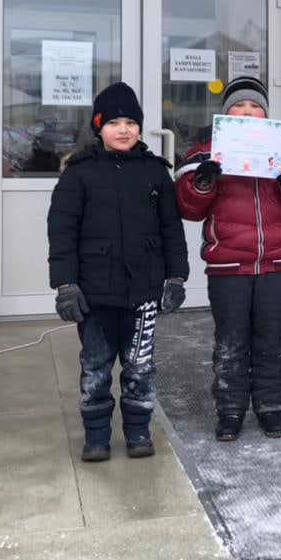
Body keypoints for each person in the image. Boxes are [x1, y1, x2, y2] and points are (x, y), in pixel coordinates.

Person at [174, 76, 281, 441]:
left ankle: (271, 407)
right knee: (231, 341)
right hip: (228, 263)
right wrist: (203, 182)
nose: (247, 111)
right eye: (239, 106)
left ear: (265, 113)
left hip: (276, 262)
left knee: (271, 340)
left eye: (255, 106)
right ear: (227, 112)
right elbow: (189, 208)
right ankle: (230, 409)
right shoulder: (206, 147)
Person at [47, 82, 188, 461]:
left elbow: (171, 229)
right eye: (113, 123)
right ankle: (96, 435)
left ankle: (138, 431)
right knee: (95, 367)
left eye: (130, 122)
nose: (123, 130)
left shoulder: (155, 172)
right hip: (95, 293)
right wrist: (65, 284)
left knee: (140, 366)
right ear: (98, 126)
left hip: (144, 291)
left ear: (140, 127)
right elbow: (61, 232)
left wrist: (176, 277)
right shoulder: (78, 173)